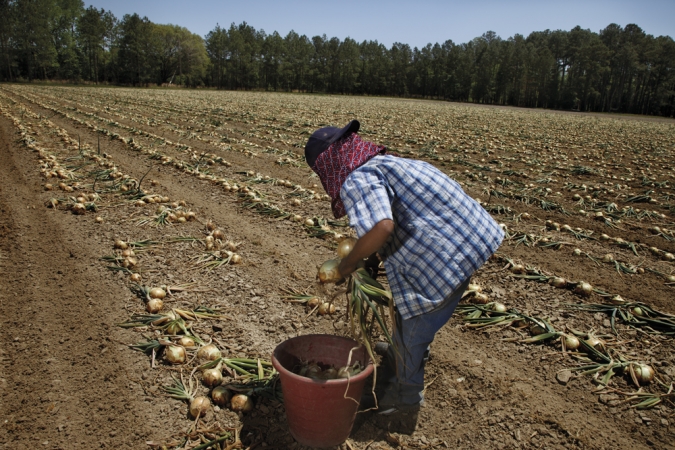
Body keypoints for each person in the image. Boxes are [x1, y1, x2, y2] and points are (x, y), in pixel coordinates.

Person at [305, 120, 504, 433]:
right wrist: (367, 260)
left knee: (413, 329)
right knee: (406, 313)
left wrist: (346, 267)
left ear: (327, 167)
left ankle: (405, 402)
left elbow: (382, 227)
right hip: (467, 239)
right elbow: (391, 221)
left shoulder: (356, 178)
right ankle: (402, 349)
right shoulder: (384, 164)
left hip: (442, 257)